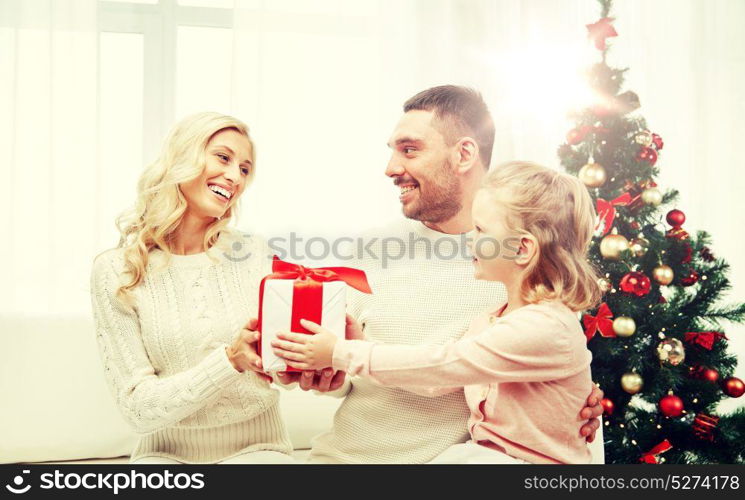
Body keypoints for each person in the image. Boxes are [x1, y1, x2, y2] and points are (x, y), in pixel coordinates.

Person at [245, 85, 604, 463]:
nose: (390, 169)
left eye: (409, 149)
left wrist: (578, 405)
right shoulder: (369, 249)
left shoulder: (524, 276)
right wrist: (323, 369)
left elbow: (544, 373)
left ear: (464, 153)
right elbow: (346, 369)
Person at [90, 112, 294, 464]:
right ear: (183, 158)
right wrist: (230, 361)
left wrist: (295, 364)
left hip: (258, 449)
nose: (234, 177)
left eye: (245, 169)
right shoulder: (117, 270)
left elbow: (279, 370)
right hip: (164, 455)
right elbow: (137, 409)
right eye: (223, 158)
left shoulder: (254, 253)